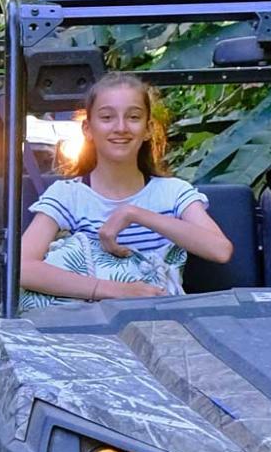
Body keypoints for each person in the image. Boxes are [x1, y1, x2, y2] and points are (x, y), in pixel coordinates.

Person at [18, 73, 233, 307]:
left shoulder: (173, 192)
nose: (121, 128)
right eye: (107, 117)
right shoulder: (67, 196)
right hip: (85, 327)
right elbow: (22, 267)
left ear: (148, 129)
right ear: (88, 129)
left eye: (133, 117)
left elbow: (219, 250)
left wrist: (134, 214)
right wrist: (114, 290)